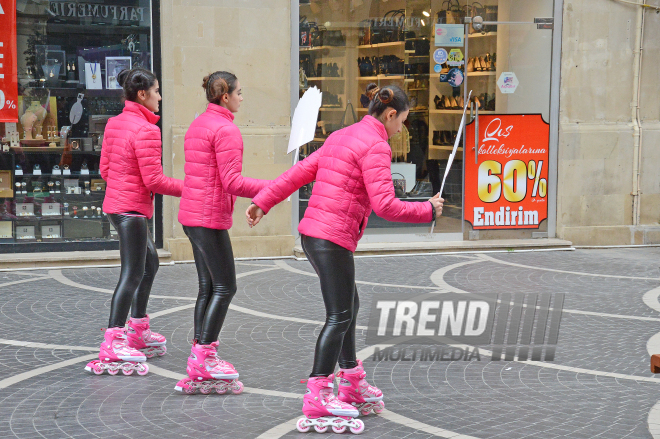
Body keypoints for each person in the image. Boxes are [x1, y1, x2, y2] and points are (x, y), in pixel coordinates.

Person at [246, 84, 444, 433]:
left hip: (315, 235)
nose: (403, 129)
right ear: (390, 114)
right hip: (331, 238)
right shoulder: (377, 145)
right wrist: (427, 210)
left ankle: (351, 379)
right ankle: (318, 392)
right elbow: (385, 206)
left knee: (348, 306)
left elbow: (298, 173)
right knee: (339, 315)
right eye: (403, 121)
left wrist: (264, 200)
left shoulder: (342, 135)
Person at [174, 71, 271, 395]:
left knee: (208, 287)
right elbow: (232, 182)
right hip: (208, 217)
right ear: (225, 96)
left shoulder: (199, 124)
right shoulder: (226, 129)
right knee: (225, 287)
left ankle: (199, 354)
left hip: (192, 215)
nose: (243, 97)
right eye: (239, 92)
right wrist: (272, 186)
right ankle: (204, 356)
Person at [85, 67, 183, 376]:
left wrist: (122, 188)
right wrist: (191, 188)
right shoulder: (147, 130)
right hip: (131, 211)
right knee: (132, 273)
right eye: (156, 91)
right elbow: (154, 180)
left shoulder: (115, 123)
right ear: (142, 94)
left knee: (149, 265)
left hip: (119, 206)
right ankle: (114, 338)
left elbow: (105, 169)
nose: (160, 97)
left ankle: (138, 330)